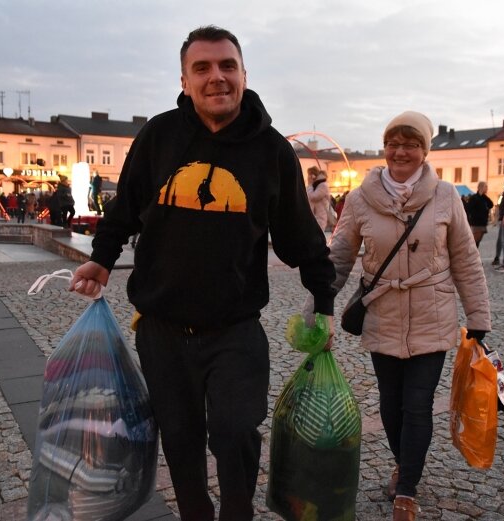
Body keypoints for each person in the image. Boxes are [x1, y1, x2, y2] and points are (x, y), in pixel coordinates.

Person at [69, 26, 336, 520]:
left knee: (235, 431)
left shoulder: (272, 150)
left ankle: (237, 512)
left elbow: (303, 237)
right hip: (162, 329)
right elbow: (125, 207)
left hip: (234, 328)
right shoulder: (159, 135)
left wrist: (323, 304)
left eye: (227, 66)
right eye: (203, 68)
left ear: (243, 75)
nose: (217, 77)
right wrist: (102, 259)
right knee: (180, 438)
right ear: (186, 80)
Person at [324, 111, 491, 519]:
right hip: (383, 312)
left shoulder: (446, 195)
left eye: (411, 144)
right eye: (393, 143)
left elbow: (466, 260)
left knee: (417, 405)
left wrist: (478, 316)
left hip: (432, 316)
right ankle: (404, 462)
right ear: (385, 148)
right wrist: (316, 307)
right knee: (390, 404)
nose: (401, 151)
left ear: (424, 150)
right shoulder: (361, 199)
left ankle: (408, 490)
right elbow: (341, 256)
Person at [465, 181, 493, 248]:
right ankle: (472, 256)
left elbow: (491, 204)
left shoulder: (484, 198)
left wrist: (484, 195)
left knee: (478, 242)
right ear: (482, 187)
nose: (487, 189)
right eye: (486, 187)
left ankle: (474, 255)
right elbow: (469, 209)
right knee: (474, 242)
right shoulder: (474, 198)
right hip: (476, 223)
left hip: (483, 223)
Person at [306, 166, 331, 232]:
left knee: (317, 238)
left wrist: (309, 185)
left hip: (319, 217)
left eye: (309, 175)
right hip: (314, 216)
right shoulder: (316, 185)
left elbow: (313, 197)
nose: (308, 177)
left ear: (313, 175)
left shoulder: (322, 185)